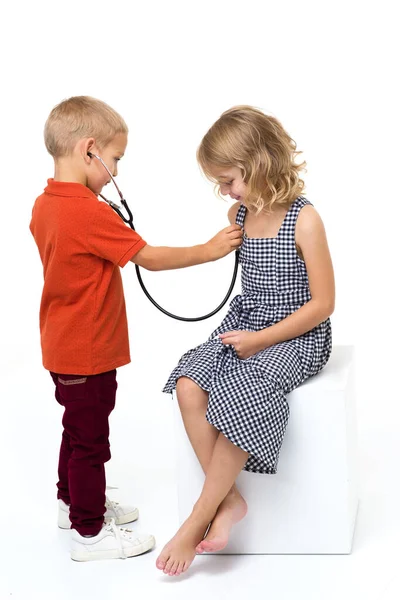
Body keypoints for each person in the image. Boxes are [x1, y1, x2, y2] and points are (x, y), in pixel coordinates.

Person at [29, 96, 242, 562]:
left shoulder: (46, 204)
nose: (117, 173)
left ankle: (72, 503)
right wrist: (210, 249)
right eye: (116, 159)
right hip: (88, 351)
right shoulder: (87, 212)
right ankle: (89, 533)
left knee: (75, 429)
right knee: (91, 441)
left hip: (61, 345)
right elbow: (149, 257)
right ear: (90, 151)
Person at [158, 105, 335, 576]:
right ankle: (230, 499)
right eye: (219, 183)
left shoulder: (305, 219)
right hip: (247, 323)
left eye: (229, 178)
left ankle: (199, 514)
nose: (225, 191)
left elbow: (323, 304)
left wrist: (261, 340)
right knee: (191, 381)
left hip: (296, 333)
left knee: (247, 387)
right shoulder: (240, 211)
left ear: (260, 163)